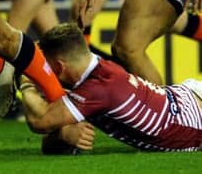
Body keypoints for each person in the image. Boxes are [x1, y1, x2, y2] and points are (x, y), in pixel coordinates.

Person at [21, 23, 202, 153]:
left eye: (47, 66)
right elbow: (49, 144)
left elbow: (40, 121)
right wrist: (62, 136)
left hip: (195, 121)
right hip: (186, 94)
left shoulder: (97, 90)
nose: (45, 72)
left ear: (60, 67)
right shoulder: (96, 72)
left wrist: (26, 82)